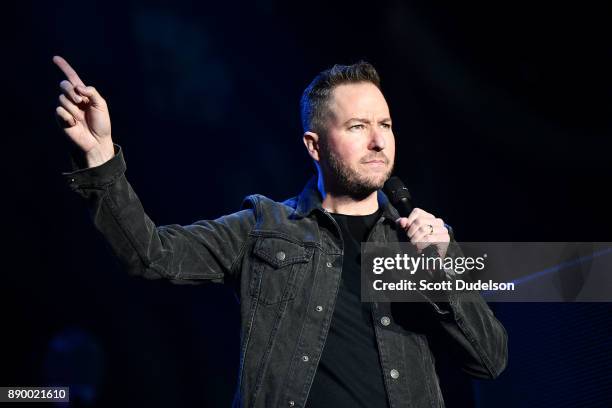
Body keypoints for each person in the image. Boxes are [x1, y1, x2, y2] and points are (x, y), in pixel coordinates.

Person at [53, 56, 507, 408]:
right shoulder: (264, 227)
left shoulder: (424, 240)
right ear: (314, 144)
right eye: (358, 126)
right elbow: (151, 254)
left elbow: (490, 361)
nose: (378, 140)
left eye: (385, 125)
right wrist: (101, 160)